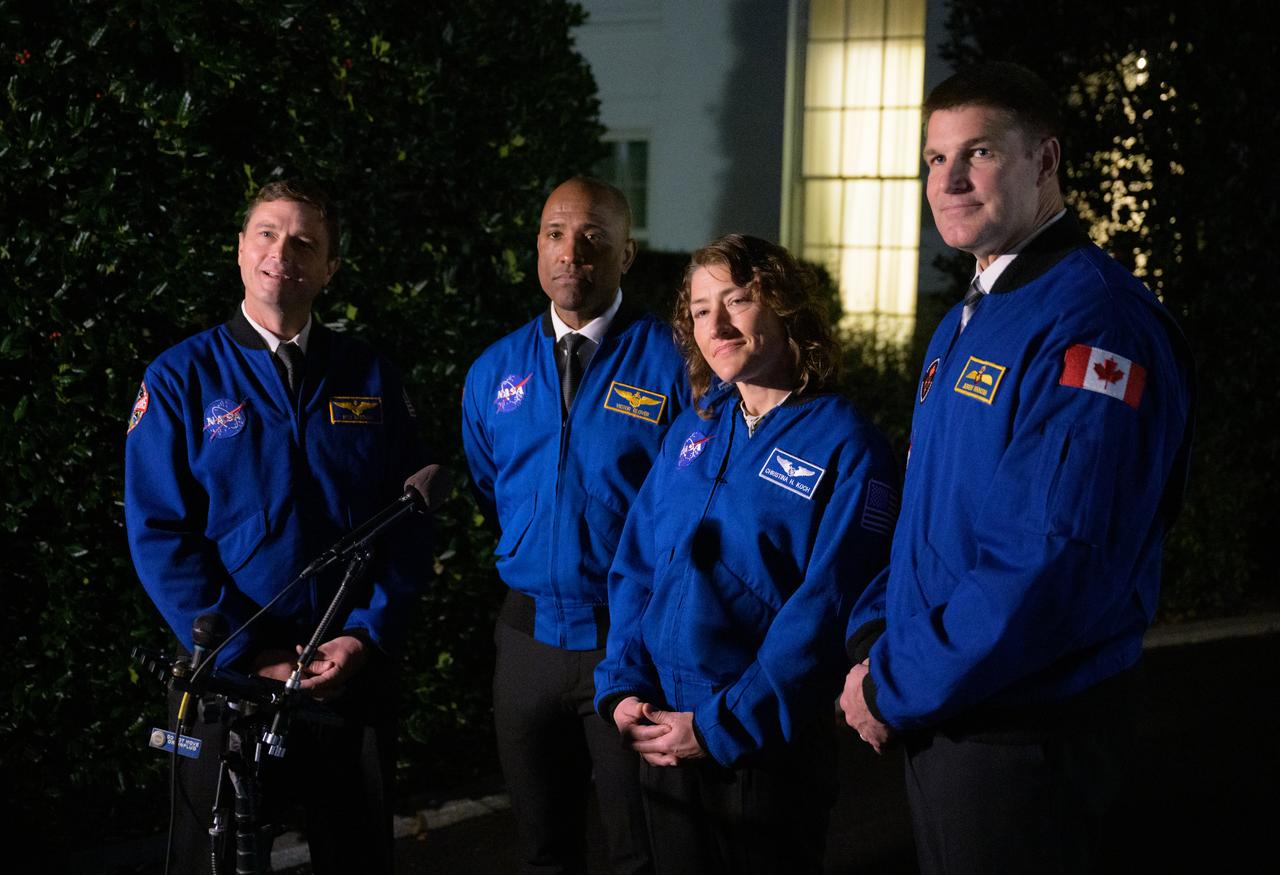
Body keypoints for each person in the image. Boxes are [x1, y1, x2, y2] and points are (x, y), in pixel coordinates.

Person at [839, 62, 1196, 874]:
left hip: (1023, 733)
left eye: (980, 153)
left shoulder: (1095, 323)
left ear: (1045, 160)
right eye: (935, 158)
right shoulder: (972, 318)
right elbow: (933, 517)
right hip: (950, 704)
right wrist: (874, 633)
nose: (949, 180)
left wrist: (891, 680)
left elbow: (1048, 563)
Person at [125, 179, 426, 874]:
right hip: (226, 680)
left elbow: (409, 522)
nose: (281, 253)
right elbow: (159, 533)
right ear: (240, 249)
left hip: (346, 676)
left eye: (304, 242)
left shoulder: (370, 375)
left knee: (357, 858)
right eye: (267, 233)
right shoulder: (180, 378)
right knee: (212, 863)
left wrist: (365, 634)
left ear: (329, 268)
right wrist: (248, 651)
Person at [594, 234, 898, 874]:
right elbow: (637, 567)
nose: (718, 326)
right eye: (701, 310)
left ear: (784, 306)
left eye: (737, 301)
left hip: (764, 750)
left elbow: (825, 608)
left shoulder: (845, 444)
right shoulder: (694, 428)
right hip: (664, 732)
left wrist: (719, 726)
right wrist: (623, 685)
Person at [461, 176, 689, 874]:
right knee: (542, 851)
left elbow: (693, 501)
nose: (572, 253)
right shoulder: (494, 370)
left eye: (594, 237)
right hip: (525, 644)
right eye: (556, 235)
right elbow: (489, 486)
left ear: (627, 254)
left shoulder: (675, 361)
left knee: (639, 851)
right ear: (537, 247)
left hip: (629, 642)